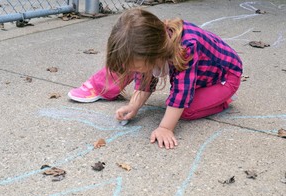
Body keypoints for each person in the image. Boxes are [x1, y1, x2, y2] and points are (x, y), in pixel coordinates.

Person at [68, 8, 243, 150]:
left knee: (186, 110)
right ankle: (210, 97)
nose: (131, 72)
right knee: (170, 98)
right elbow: (146, 77)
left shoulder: (186, 47)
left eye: (135, 67)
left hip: (224, 78)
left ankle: (223, 100)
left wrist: (165, 128)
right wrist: (134, 106)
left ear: (154, 54)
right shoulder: (154, 43)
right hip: (200, 76)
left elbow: (182, 92)